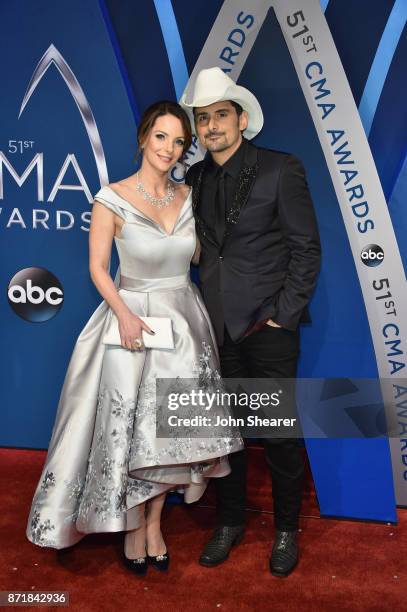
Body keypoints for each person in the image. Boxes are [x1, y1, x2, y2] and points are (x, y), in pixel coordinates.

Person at [26, 100, 243, 576]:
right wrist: (122, 313)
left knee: (170, 433)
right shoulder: (111, 198)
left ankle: (153, 525)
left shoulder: (192, 197)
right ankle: (129, 527)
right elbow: (98, 269)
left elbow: (210, 258)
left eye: (178, 141)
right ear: (144, 137)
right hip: (131, 322)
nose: (169, 148)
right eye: (161, 137)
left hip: (184, 324)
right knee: (130, 430)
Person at [182, 67, 321, 577]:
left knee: (280, 434)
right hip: (215, 329)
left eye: (220, 115)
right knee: (227, 436)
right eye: (203, 119)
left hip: (267, 330)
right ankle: (230, 521)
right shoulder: (194, 179)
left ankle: (286, 528)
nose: (212, 126)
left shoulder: (281, 168)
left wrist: (283, 318)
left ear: (241, 118)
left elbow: (307, 249)